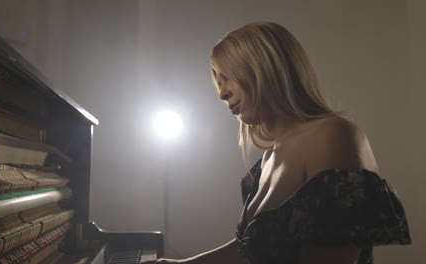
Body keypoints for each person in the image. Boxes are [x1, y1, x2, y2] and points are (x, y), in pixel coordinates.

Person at [142, 21, 411, 264]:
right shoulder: (268, 159)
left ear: (263, 68)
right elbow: (247, 251)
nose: (222, 93)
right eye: (218, 83)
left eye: (227, 78)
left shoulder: (334, 136)